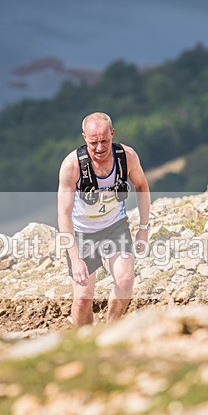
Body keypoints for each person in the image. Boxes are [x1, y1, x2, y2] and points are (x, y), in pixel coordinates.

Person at [57, 112, 151, 327]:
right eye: (93, 143)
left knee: (125, 282)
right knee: (83, 298)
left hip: (115, 226)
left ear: (112, 133)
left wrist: (143, 228)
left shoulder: (127, 157)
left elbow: (142, 186)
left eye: (105, 141)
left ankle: (110, 330)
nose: (100, 147)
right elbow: (63, 214)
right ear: (84, 137)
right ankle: (84, 339)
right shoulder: (72, 166)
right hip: (82, 232)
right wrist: (75, 259)